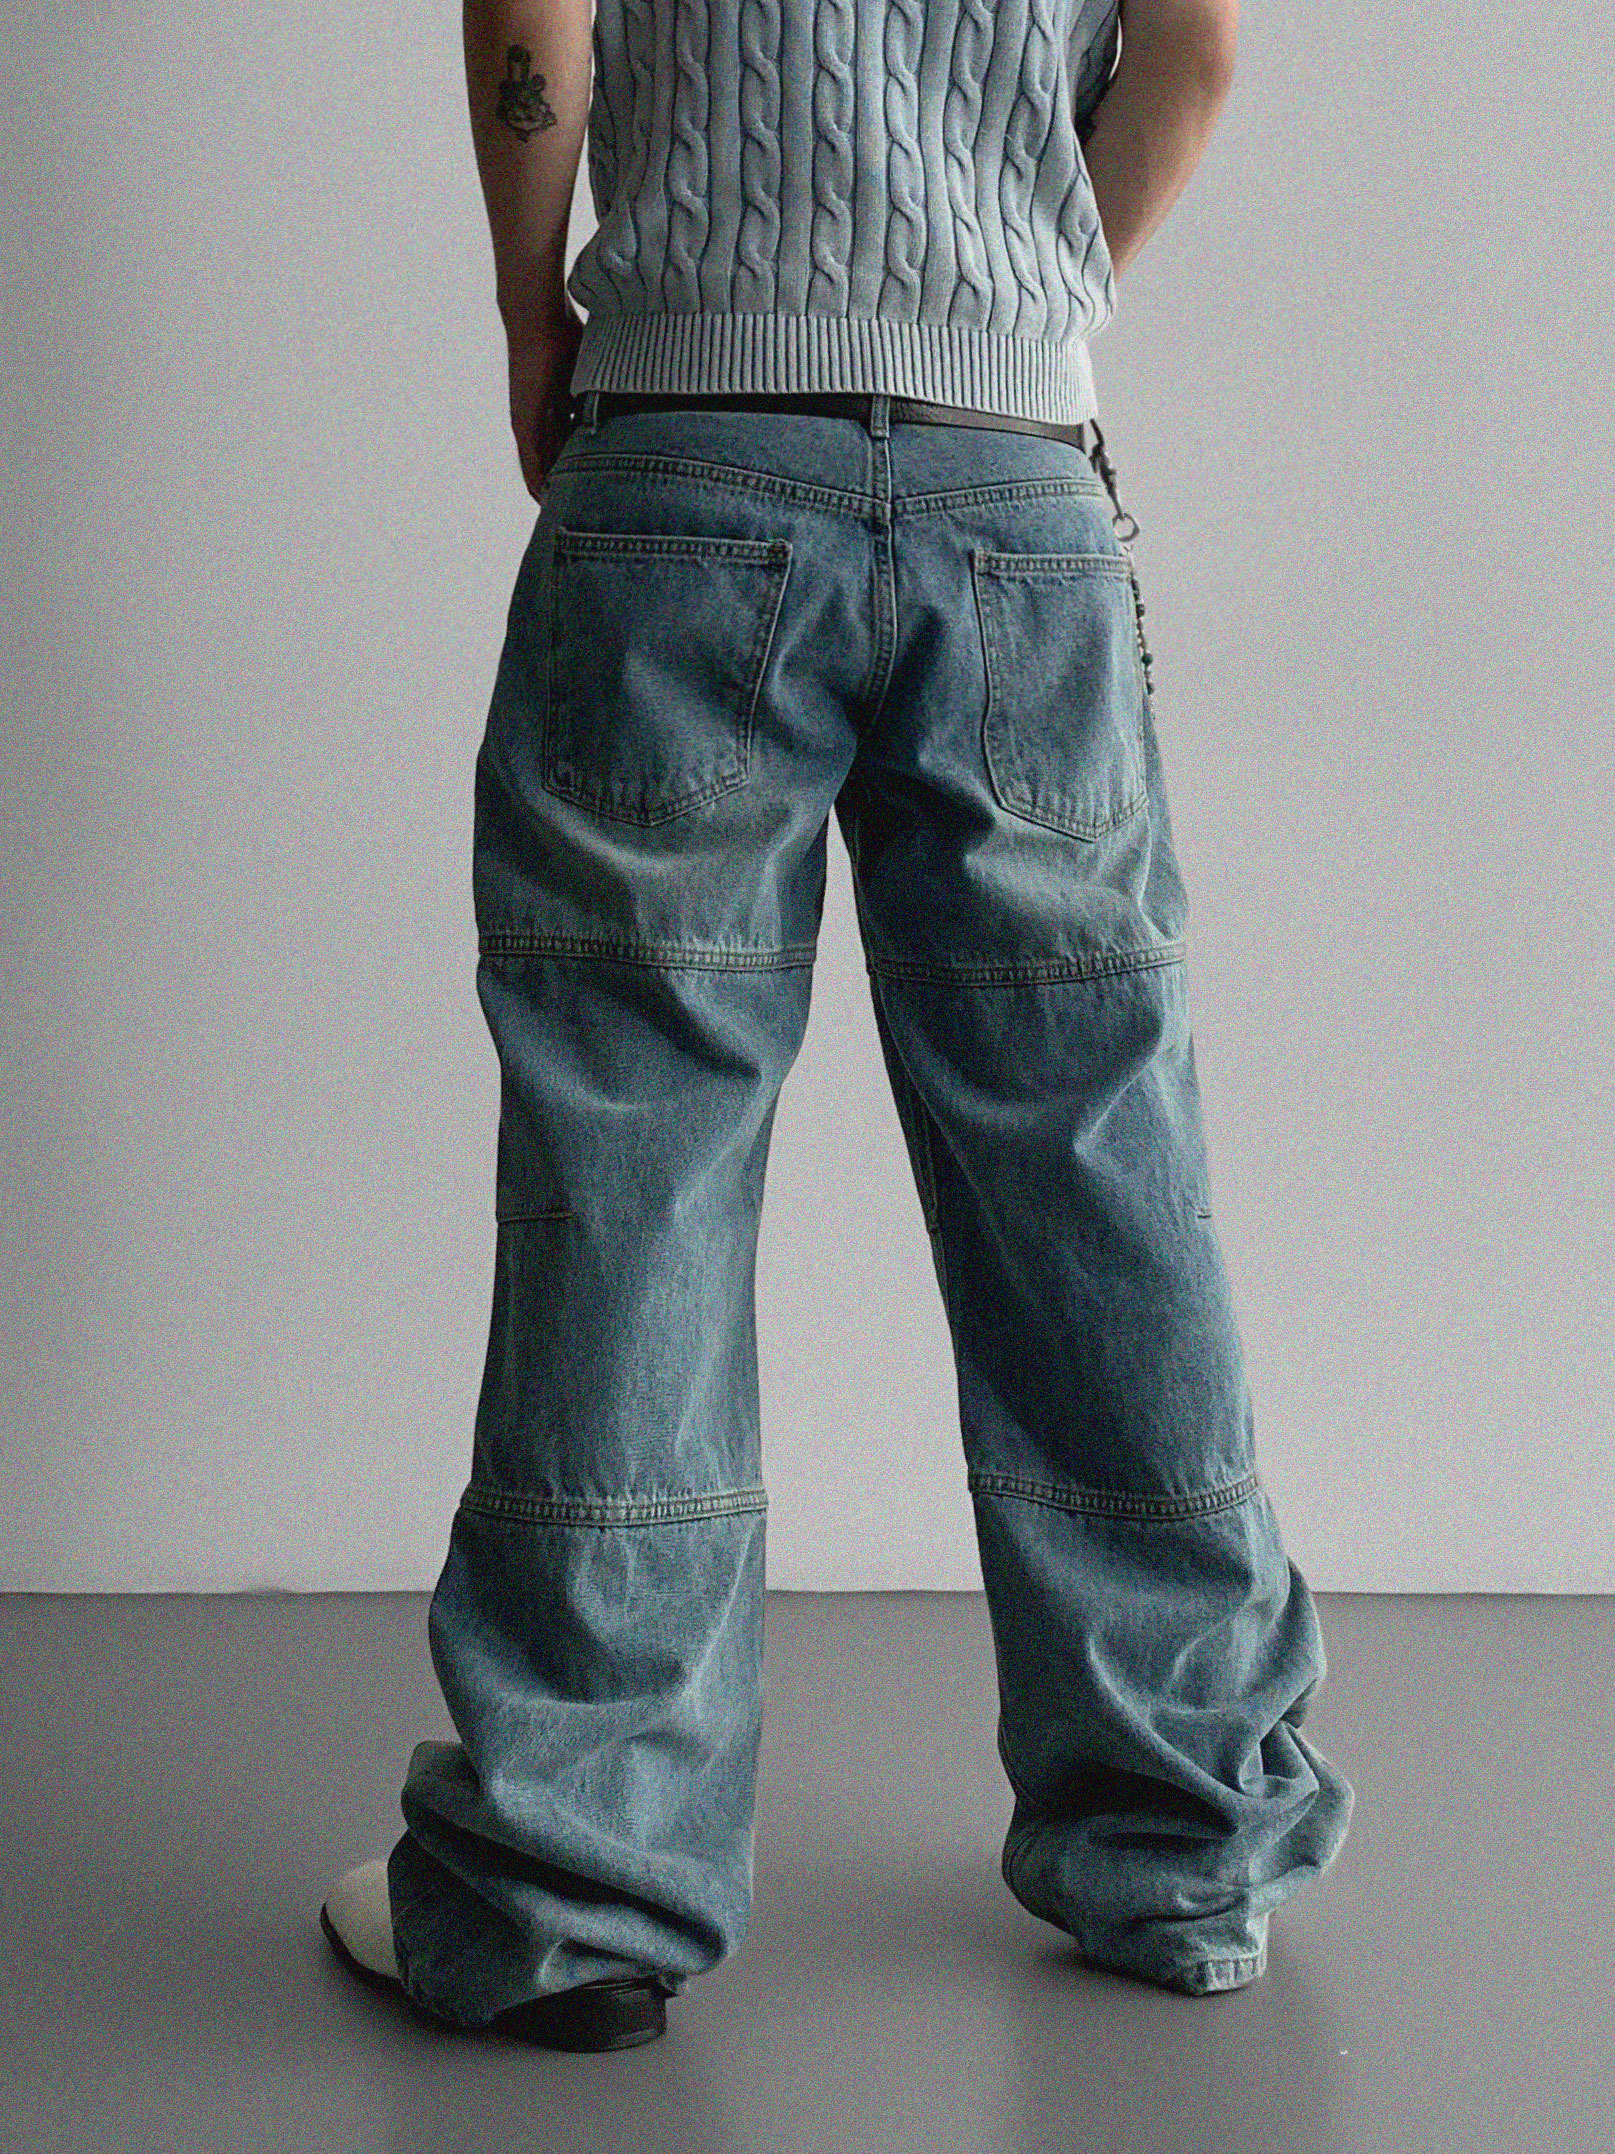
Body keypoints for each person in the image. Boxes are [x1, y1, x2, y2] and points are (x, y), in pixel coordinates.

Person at [322, 0, 1354, 2051]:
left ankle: (572, 1886)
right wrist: (1013, 303)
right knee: (1091, 1159)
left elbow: (536, 18)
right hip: (1014, 490)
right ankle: (1178, 1840)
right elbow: (1197, 47)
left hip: (687, 450)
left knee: (636, 1162)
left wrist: (534, 312)